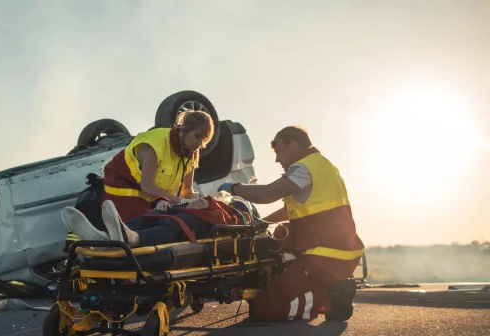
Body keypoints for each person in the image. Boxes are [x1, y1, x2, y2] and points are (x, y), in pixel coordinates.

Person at [217, 125, 364, 322]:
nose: (277, 159)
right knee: (279, 235)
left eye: (279, 152)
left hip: (325, 255)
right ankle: (325, 286)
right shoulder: (322, 165)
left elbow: (268, 193)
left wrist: (235, 188)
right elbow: (293, 210)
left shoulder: (304, 168)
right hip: (334, 249)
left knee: (265, 309)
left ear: (293, 145)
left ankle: (332, 299)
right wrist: (263, 222)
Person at [100, 110, 215, 222]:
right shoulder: (157, 143)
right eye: (197, 136)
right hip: (123, 190)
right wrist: (179, 200)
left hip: (152, 198)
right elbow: (147, 187)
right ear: (184, 130)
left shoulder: (192, 152)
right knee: (143, 228)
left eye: (204, 139)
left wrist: (197, 198)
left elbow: (186, 191)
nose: (200, 143)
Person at [61, 196, 253, 248]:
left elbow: (236, 222)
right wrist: (164, 201)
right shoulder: (218, 200)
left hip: (200, 222)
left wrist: (207, 204)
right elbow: (186, 199)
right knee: (148, 218)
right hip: (181, 212)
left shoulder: (240, 212)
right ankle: (105, 238)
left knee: (172, 225)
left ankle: (132, 239)